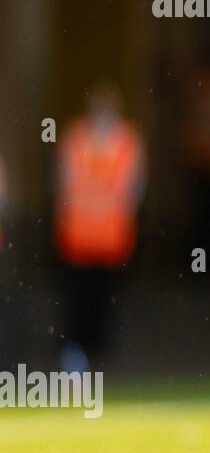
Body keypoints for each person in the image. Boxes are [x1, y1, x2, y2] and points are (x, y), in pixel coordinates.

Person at [54, 82, 146, 371]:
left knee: (106, 293)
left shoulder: (127, 140)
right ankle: (76, 343)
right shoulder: (77, 137)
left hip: (110, 233)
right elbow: (62, 181)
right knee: (77, 293)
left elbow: (134, 185)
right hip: (80, 232)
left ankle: (99, 343)